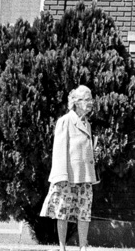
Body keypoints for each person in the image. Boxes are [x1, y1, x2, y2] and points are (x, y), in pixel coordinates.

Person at [41, 85, 98, 251]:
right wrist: (60, 176)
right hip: (68, 176)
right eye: (87, 99)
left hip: (85, 176)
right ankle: (62, 246)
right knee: (63, 211)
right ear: (76, 102)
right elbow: (59, 150)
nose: (90, 103)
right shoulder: (65, 121)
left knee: (84, 211)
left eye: (91, 99)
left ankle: (83, 246)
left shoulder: (87, 124)